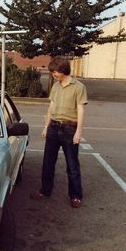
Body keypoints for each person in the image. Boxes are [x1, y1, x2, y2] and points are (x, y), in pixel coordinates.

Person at [30, 57, 88, 208]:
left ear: (62, 70)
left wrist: (78, 132)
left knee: (72, 165)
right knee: (48, 163)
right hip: (54, 128)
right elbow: (51, 107)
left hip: (70, 129)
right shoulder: (56, 86)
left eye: (54, 71)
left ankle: (75, 196)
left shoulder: (79, 87)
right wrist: (46, 126)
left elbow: (81, 110)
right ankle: (45, 190)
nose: (53, 74)